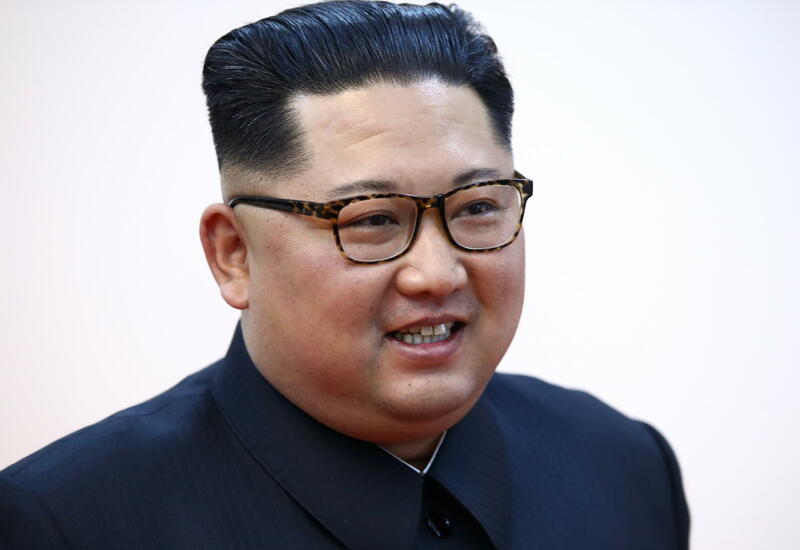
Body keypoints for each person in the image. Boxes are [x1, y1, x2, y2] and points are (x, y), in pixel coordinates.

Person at [0, 1, 689, 548]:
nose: (436, 274)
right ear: (233, 254)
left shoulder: (623, 466)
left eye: (478, 207)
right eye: (372, 219)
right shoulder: (63, 522)